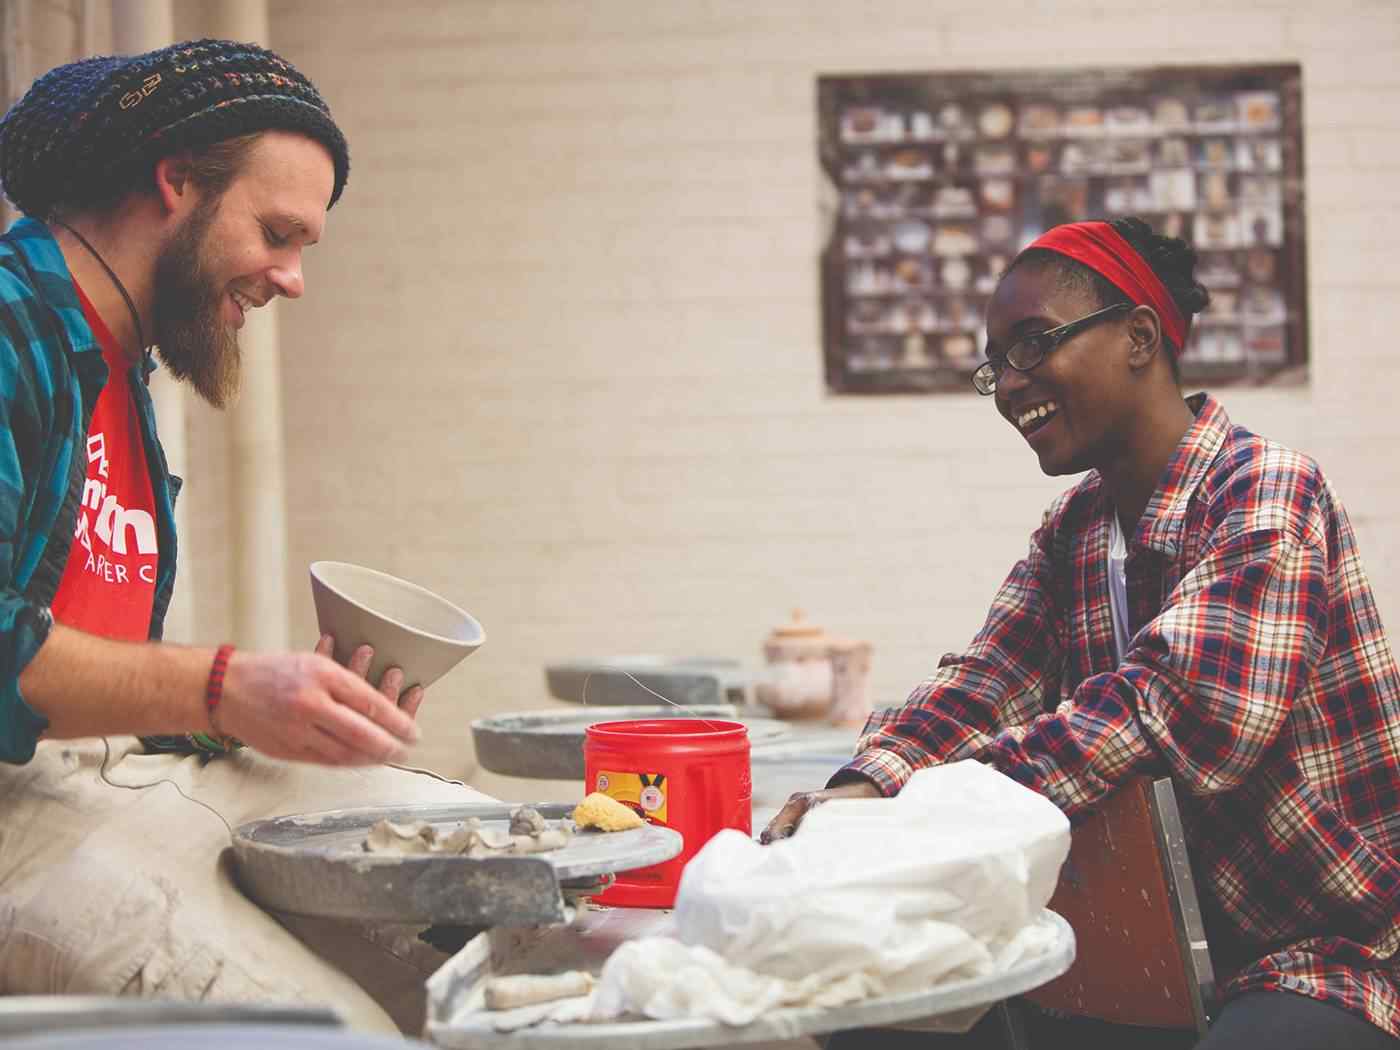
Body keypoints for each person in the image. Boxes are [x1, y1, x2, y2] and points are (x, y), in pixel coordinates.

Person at [765, 218, 1400, 1048]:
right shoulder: (1077, 526)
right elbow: (983, 683)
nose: (1007, 382)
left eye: (1034, 342)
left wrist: (923, 807)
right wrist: (862, 787)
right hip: (1148, 950)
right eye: (996, 361)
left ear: (1140, 336)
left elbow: (1182, 713)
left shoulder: (1267, 491)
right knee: (863, 1018)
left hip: (1323, 952)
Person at [0, 40, 490, 1033]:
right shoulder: (14, 328)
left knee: (498, 916)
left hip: (127, 773)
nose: (292, 278)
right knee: (321, 1031)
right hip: (19, 819)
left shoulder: (122, 365)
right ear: (173, 181)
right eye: (276, 232)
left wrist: (285, 708)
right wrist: (223, 685)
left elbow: (94, 664)